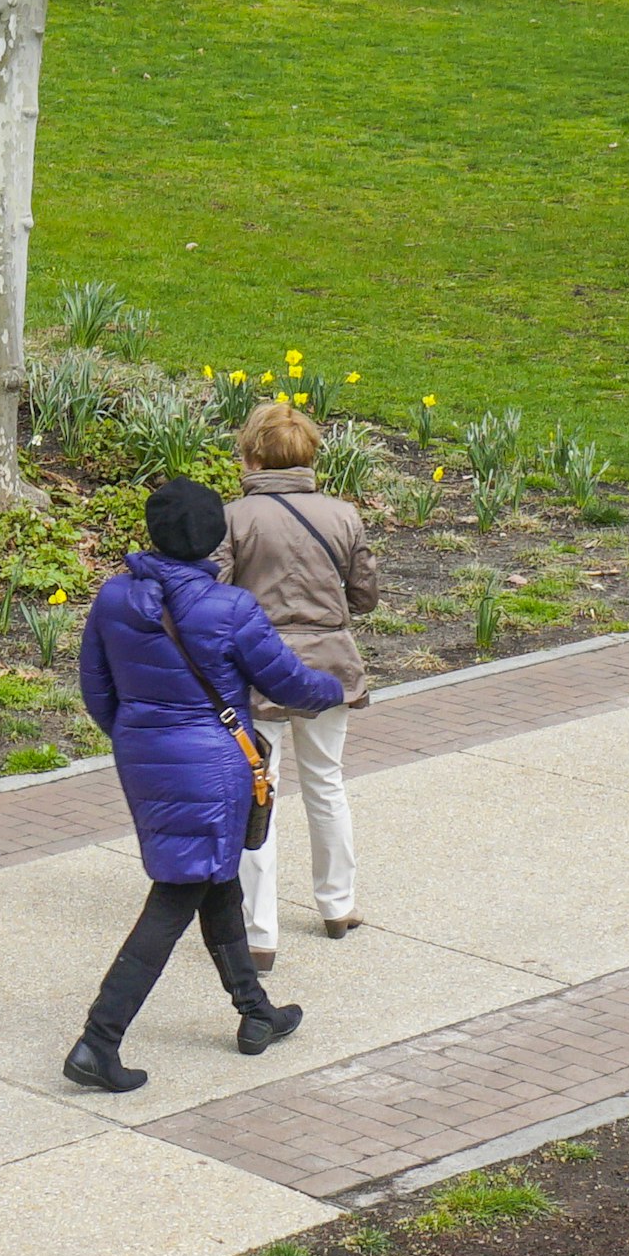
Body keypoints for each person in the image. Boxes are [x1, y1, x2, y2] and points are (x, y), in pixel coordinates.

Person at [66, 478, 347, 1094]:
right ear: (215, 538)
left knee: (214, 876)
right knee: (177, 893)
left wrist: (139, 735)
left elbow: (97, 690)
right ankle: (98, 1040)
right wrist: (336, 689)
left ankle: (256, 1012)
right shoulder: (230, 609)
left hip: (144, 754)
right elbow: (291, 684)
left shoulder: (113, 598)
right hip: (216, 763)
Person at [213, 400, 378, 964]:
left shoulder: (235, 517)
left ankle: (259, 933)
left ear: (253, 455)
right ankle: (338, 905)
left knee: (260, 791)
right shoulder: (343, 515)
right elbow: (365, 596)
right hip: (331, 665)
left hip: (258, 668)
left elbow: (215, 594)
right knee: (326, 782)